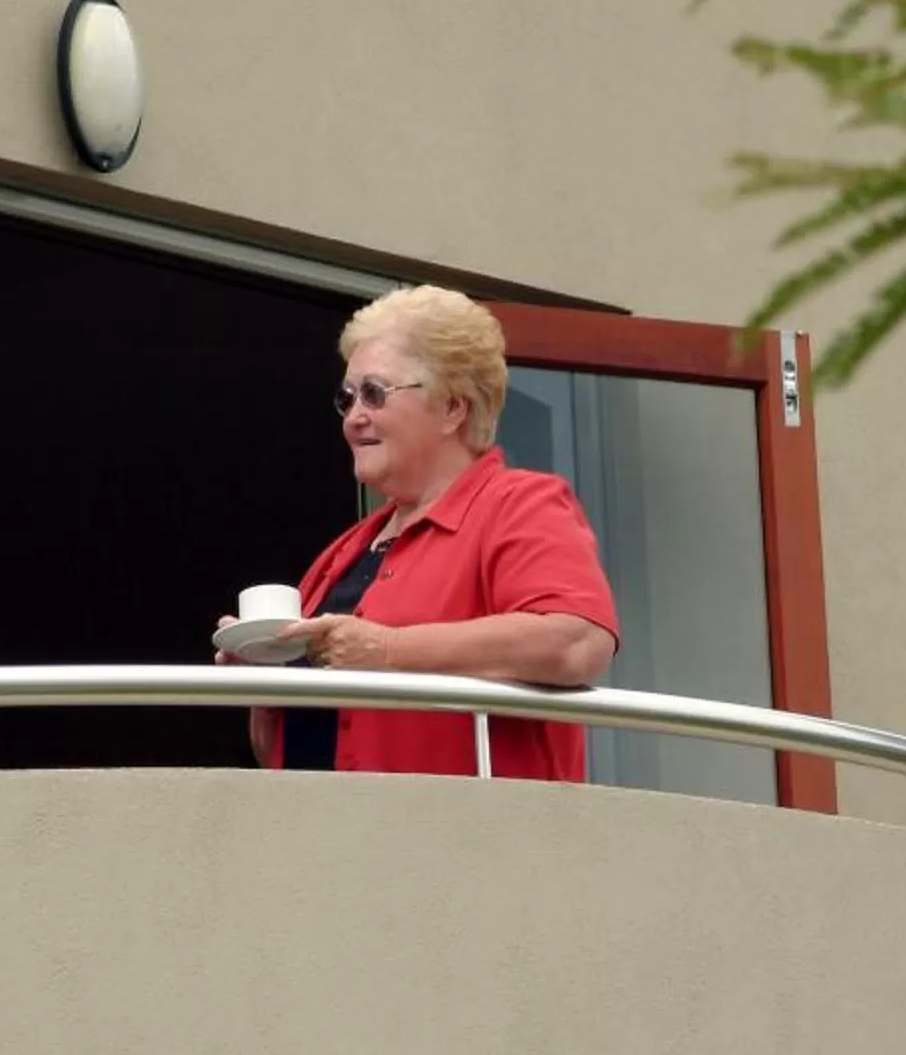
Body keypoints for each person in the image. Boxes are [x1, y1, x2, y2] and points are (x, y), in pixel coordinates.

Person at [227, 285, 619, 779]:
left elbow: (577, 641)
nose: (354, 418)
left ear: (454, 407)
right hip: (325, 836)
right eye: (346, 398)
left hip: (467, 841)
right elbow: (285, 751)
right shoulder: (343, 554)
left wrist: (389, 651)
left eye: (374, 393)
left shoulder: (519, 504)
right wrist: (265, 673)